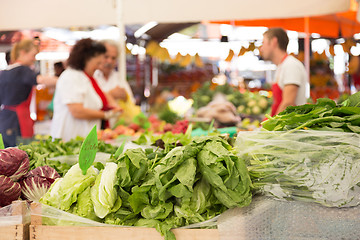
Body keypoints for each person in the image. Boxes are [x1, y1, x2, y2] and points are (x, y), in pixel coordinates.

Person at [50, 38, 121, 142]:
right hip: (69, 141)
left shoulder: (88, 78)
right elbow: (76, 111)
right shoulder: (71, 77)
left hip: (84, 141)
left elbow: (101, 96)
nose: (99, 67)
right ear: (86, 59)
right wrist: (105, 115)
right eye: (97, 63)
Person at [0, 39, 57, 147]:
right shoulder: (23, 70)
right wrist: (62, 80)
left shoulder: (3, 73)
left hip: (4, 120)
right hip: (17, 121)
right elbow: (42, 80)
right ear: (22, 52)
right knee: (21, 155)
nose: (34, 59)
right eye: (33, 55)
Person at [260, 28, 308, 116]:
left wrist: (272, 127)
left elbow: (288, 103)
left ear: (274, 42)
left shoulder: (291, 65)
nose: (261, 48)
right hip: (283, 126)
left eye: (263, 43)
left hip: (291, 126)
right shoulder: (281, 66)